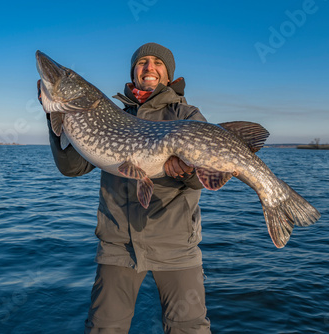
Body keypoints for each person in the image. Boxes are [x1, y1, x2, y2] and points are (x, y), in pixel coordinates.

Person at [39, 42, 211, 333]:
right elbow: (72, 167)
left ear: (168, 75)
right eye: (143, 62)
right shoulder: (110, 115)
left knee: (189, 328)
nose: (150, 67)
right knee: (104, 327)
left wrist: (186, 172)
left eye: (158, 62)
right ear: (133, 71)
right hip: (117, 245)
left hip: (176, 245)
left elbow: (202, 177)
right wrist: (54, 114)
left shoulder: (188, 115)